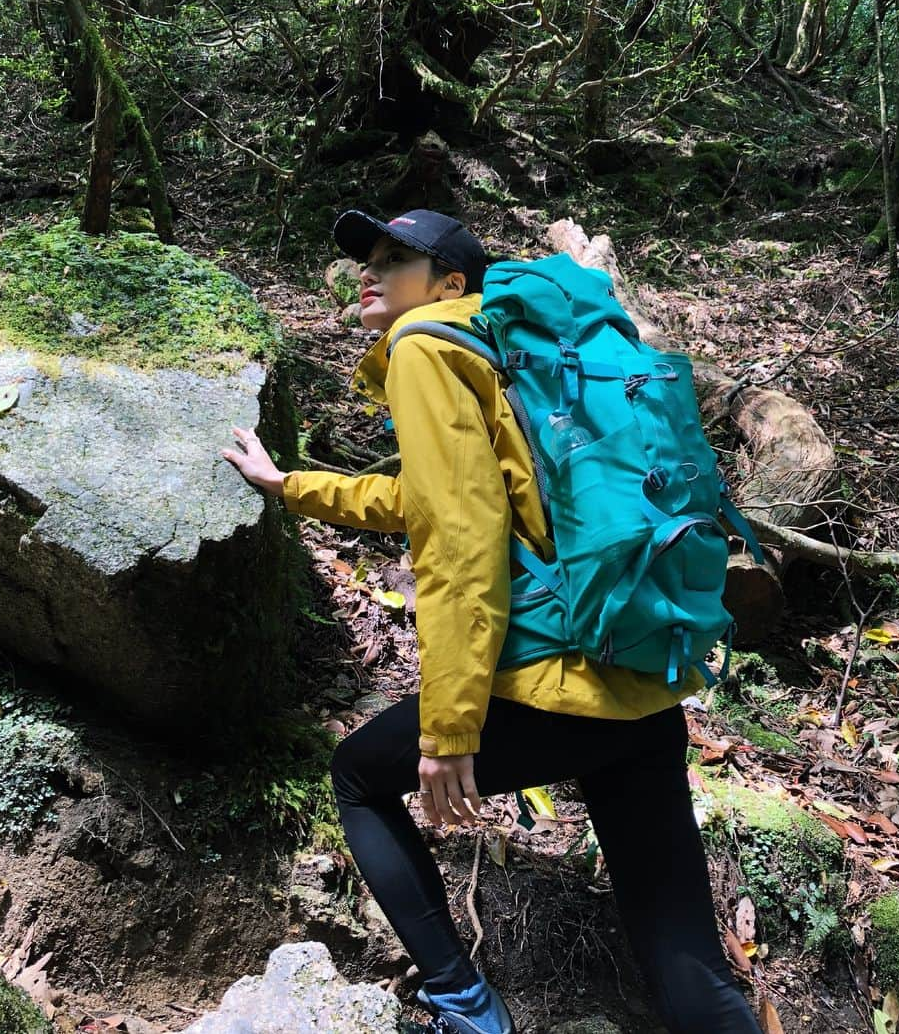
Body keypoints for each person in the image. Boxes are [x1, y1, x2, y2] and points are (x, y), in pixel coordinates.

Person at [221, 208, 762, 1034]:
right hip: (640, 672)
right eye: (369, 256)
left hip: (558, 680)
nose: (371, 270)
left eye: (398, 258)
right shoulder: (508, 352)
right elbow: (430, 498)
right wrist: (294, 486)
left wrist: (449, 728)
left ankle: (463, 1004)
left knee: (359, 779)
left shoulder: (426, 346)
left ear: (449, 284)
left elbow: (460, 541)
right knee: (685, 965)